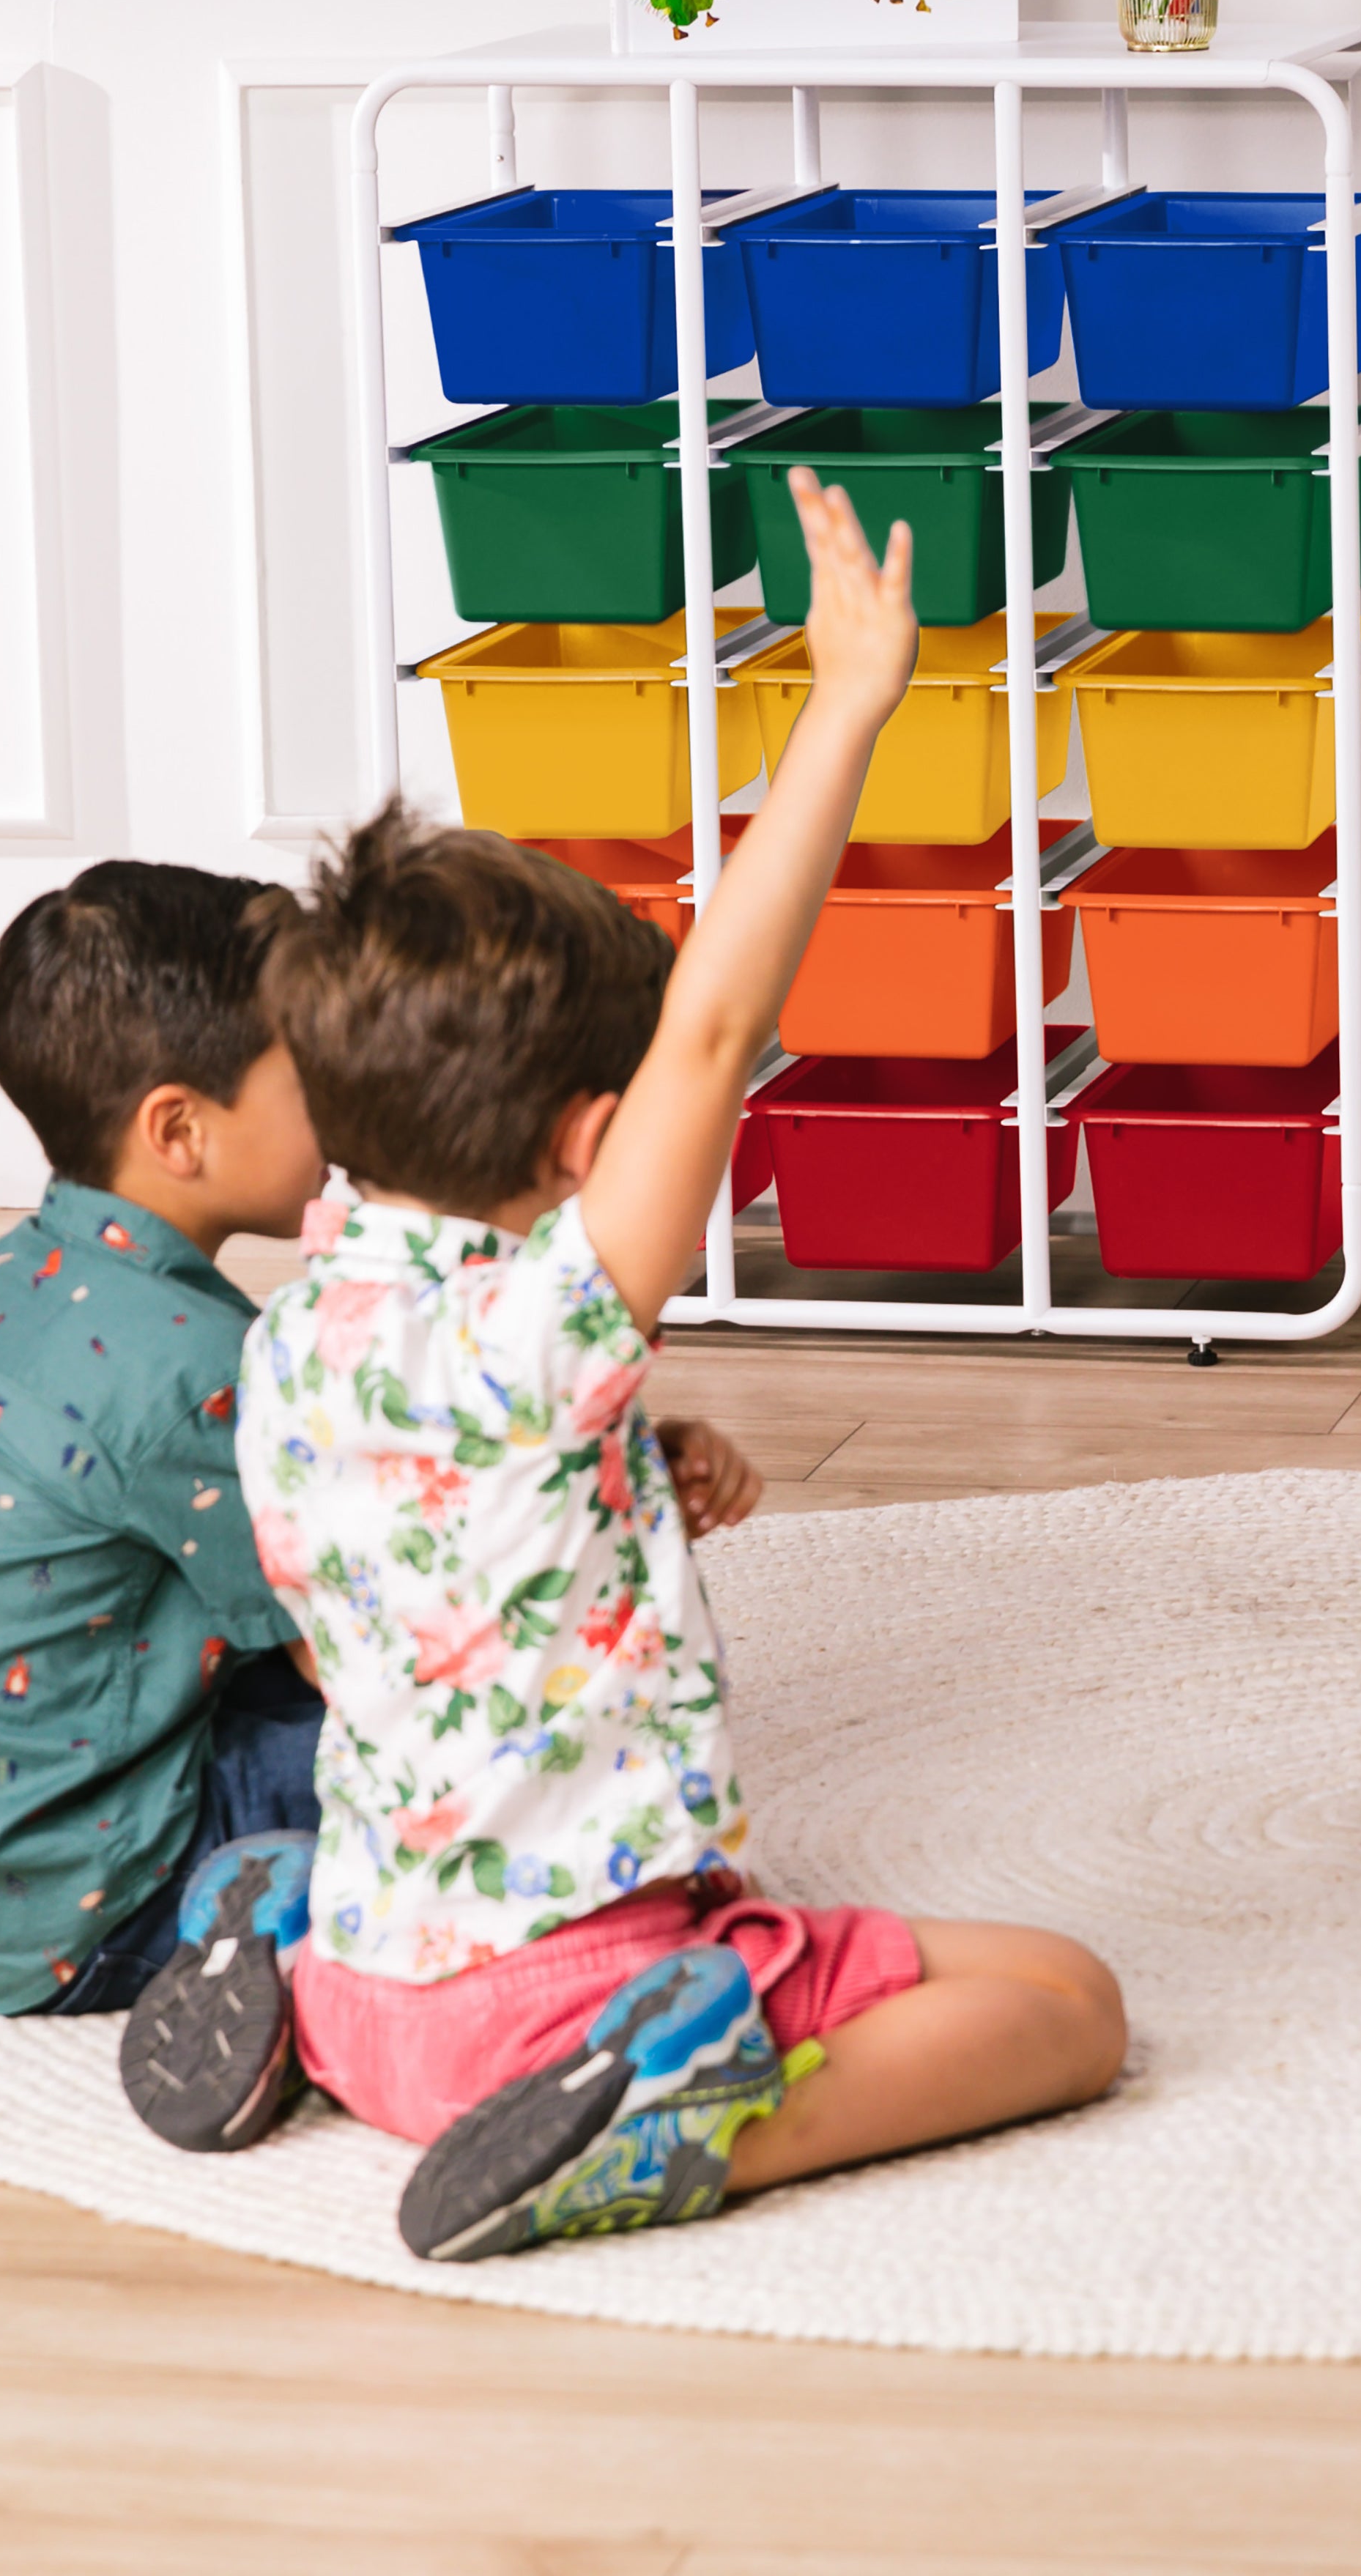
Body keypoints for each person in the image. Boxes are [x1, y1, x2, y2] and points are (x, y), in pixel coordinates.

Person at [231, 468, 1125, 2261]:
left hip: (376, 1967)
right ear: (591, 1138)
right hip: (550, 2006)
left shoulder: (298, 1331)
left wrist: (639, 1465)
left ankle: (288, 2008)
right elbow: (715, 1019)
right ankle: (659, 2128)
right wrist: (848, 695)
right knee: (1064, 1998)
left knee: (390, 1920)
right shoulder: (544, 1323)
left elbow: (449, 1542)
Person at [0, 864, 325, 2018]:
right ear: (179, 1128)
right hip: (82, 1903)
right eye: (314, 1061)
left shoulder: (2, 1276)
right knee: (452, 1748)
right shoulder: (198, 1369)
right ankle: (270, 1944)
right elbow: (347, 1654)